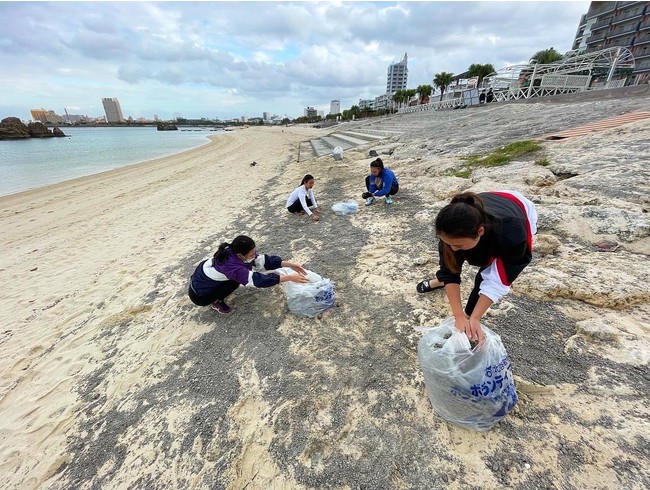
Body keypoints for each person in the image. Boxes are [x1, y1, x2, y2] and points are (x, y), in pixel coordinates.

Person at [416, 190, 538, 343]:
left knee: (487, 268)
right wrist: (458, 315)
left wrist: (473, 317)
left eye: (458, 244)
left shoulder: (512, 236)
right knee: (451, 262)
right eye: (449, 243)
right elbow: (449, 268)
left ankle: (469, 314)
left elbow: (498, 280)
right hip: (481, 212)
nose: (453, 249)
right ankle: (440, 281)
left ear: (480, 231)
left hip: (516, 211)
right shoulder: (451, 227)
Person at [188, 235, 308, 314]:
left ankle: (217, 291)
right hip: (199, 295)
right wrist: (289, 277)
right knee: (236, 281)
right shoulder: (232, 266)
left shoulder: (233, 250)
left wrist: (290, 265)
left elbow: (262, 261)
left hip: (201, 278)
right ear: (240, 255)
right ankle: (216, 301)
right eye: (251, 253)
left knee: (240, 277)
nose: (254, 255)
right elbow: (258, 281)